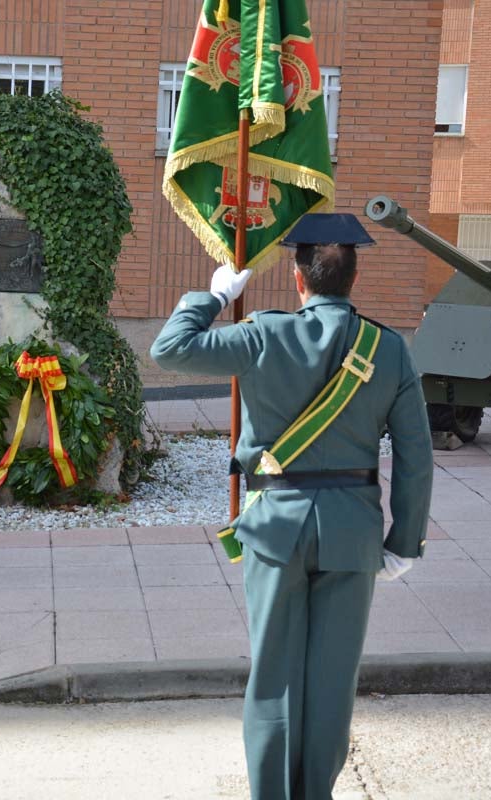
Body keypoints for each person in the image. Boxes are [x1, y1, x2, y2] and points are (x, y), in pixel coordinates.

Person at [150, 213, 433, 800]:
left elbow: (169, 348)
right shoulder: (389, 349)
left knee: (275, 675)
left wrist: (215, 293)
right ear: (353, 279)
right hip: (353, 532)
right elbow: (415, 457)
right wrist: (405, 540)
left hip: (276, 527)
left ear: (299, 280)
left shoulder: (264, 334)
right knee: (332, 681)